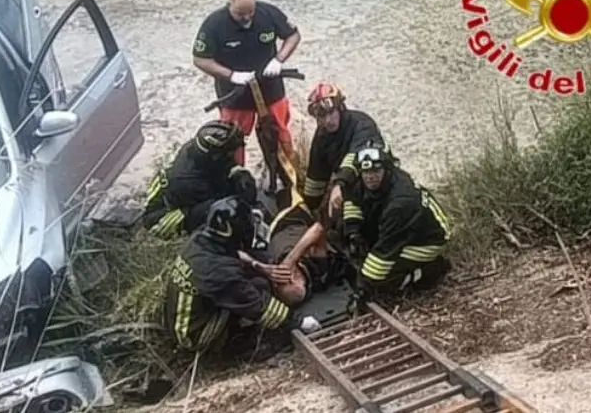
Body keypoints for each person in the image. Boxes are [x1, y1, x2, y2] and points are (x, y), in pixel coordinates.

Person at [161, 196, 322, 353]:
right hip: (195, 334)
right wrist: (298, 322)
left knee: (253, 275)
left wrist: (258, 266)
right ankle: (237, 343)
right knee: (258, 288)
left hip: (182, 319)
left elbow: (233, 253)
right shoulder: (219, 272)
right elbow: (258, 306)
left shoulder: (201, 239)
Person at [272, 82, 389, 279]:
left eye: (330, 113)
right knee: (340, 229)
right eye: (321, 117)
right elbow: (316, 176)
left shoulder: (362, 124)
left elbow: (358, 157)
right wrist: (308, 207)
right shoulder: (323, 136)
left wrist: (339, 184)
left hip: (378, 182)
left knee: (368, 224)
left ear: (340, 108)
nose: (327, 121)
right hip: (349, 188)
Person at [191, 0, 303, 166]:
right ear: (229, 3)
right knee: (231, 140)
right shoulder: (214, 25)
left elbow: (293, 36)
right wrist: (231, 75)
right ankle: (235, 175)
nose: (246, 17)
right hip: (235, 94)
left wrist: (279, 59)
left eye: (250, 12)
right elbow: (200, 59)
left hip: (270, 88)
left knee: (279, 131)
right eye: (240, 14)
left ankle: (286, 169)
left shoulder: (269, 14)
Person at [341, 142, 452, 301]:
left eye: (375, 170)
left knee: (383, 283)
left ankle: (432, 269)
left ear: (386, 168)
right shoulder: (370, 180)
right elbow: (353, 199)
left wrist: (363, 287)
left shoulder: (401, 202)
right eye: (365, 171)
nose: (370, 176)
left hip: (427, 239)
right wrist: (352, 232)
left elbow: (385, 252)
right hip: (400, 228)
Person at [141, 120, 258, 238]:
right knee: (218, 209)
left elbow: (224, 167)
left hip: (186, 197)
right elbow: (224, 198)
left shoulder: (197, 150)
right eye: (230, 153)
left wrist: (240, 173)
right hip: (161, 218)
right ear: (216, 156)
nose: (233, 155)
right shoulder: (189, 182)